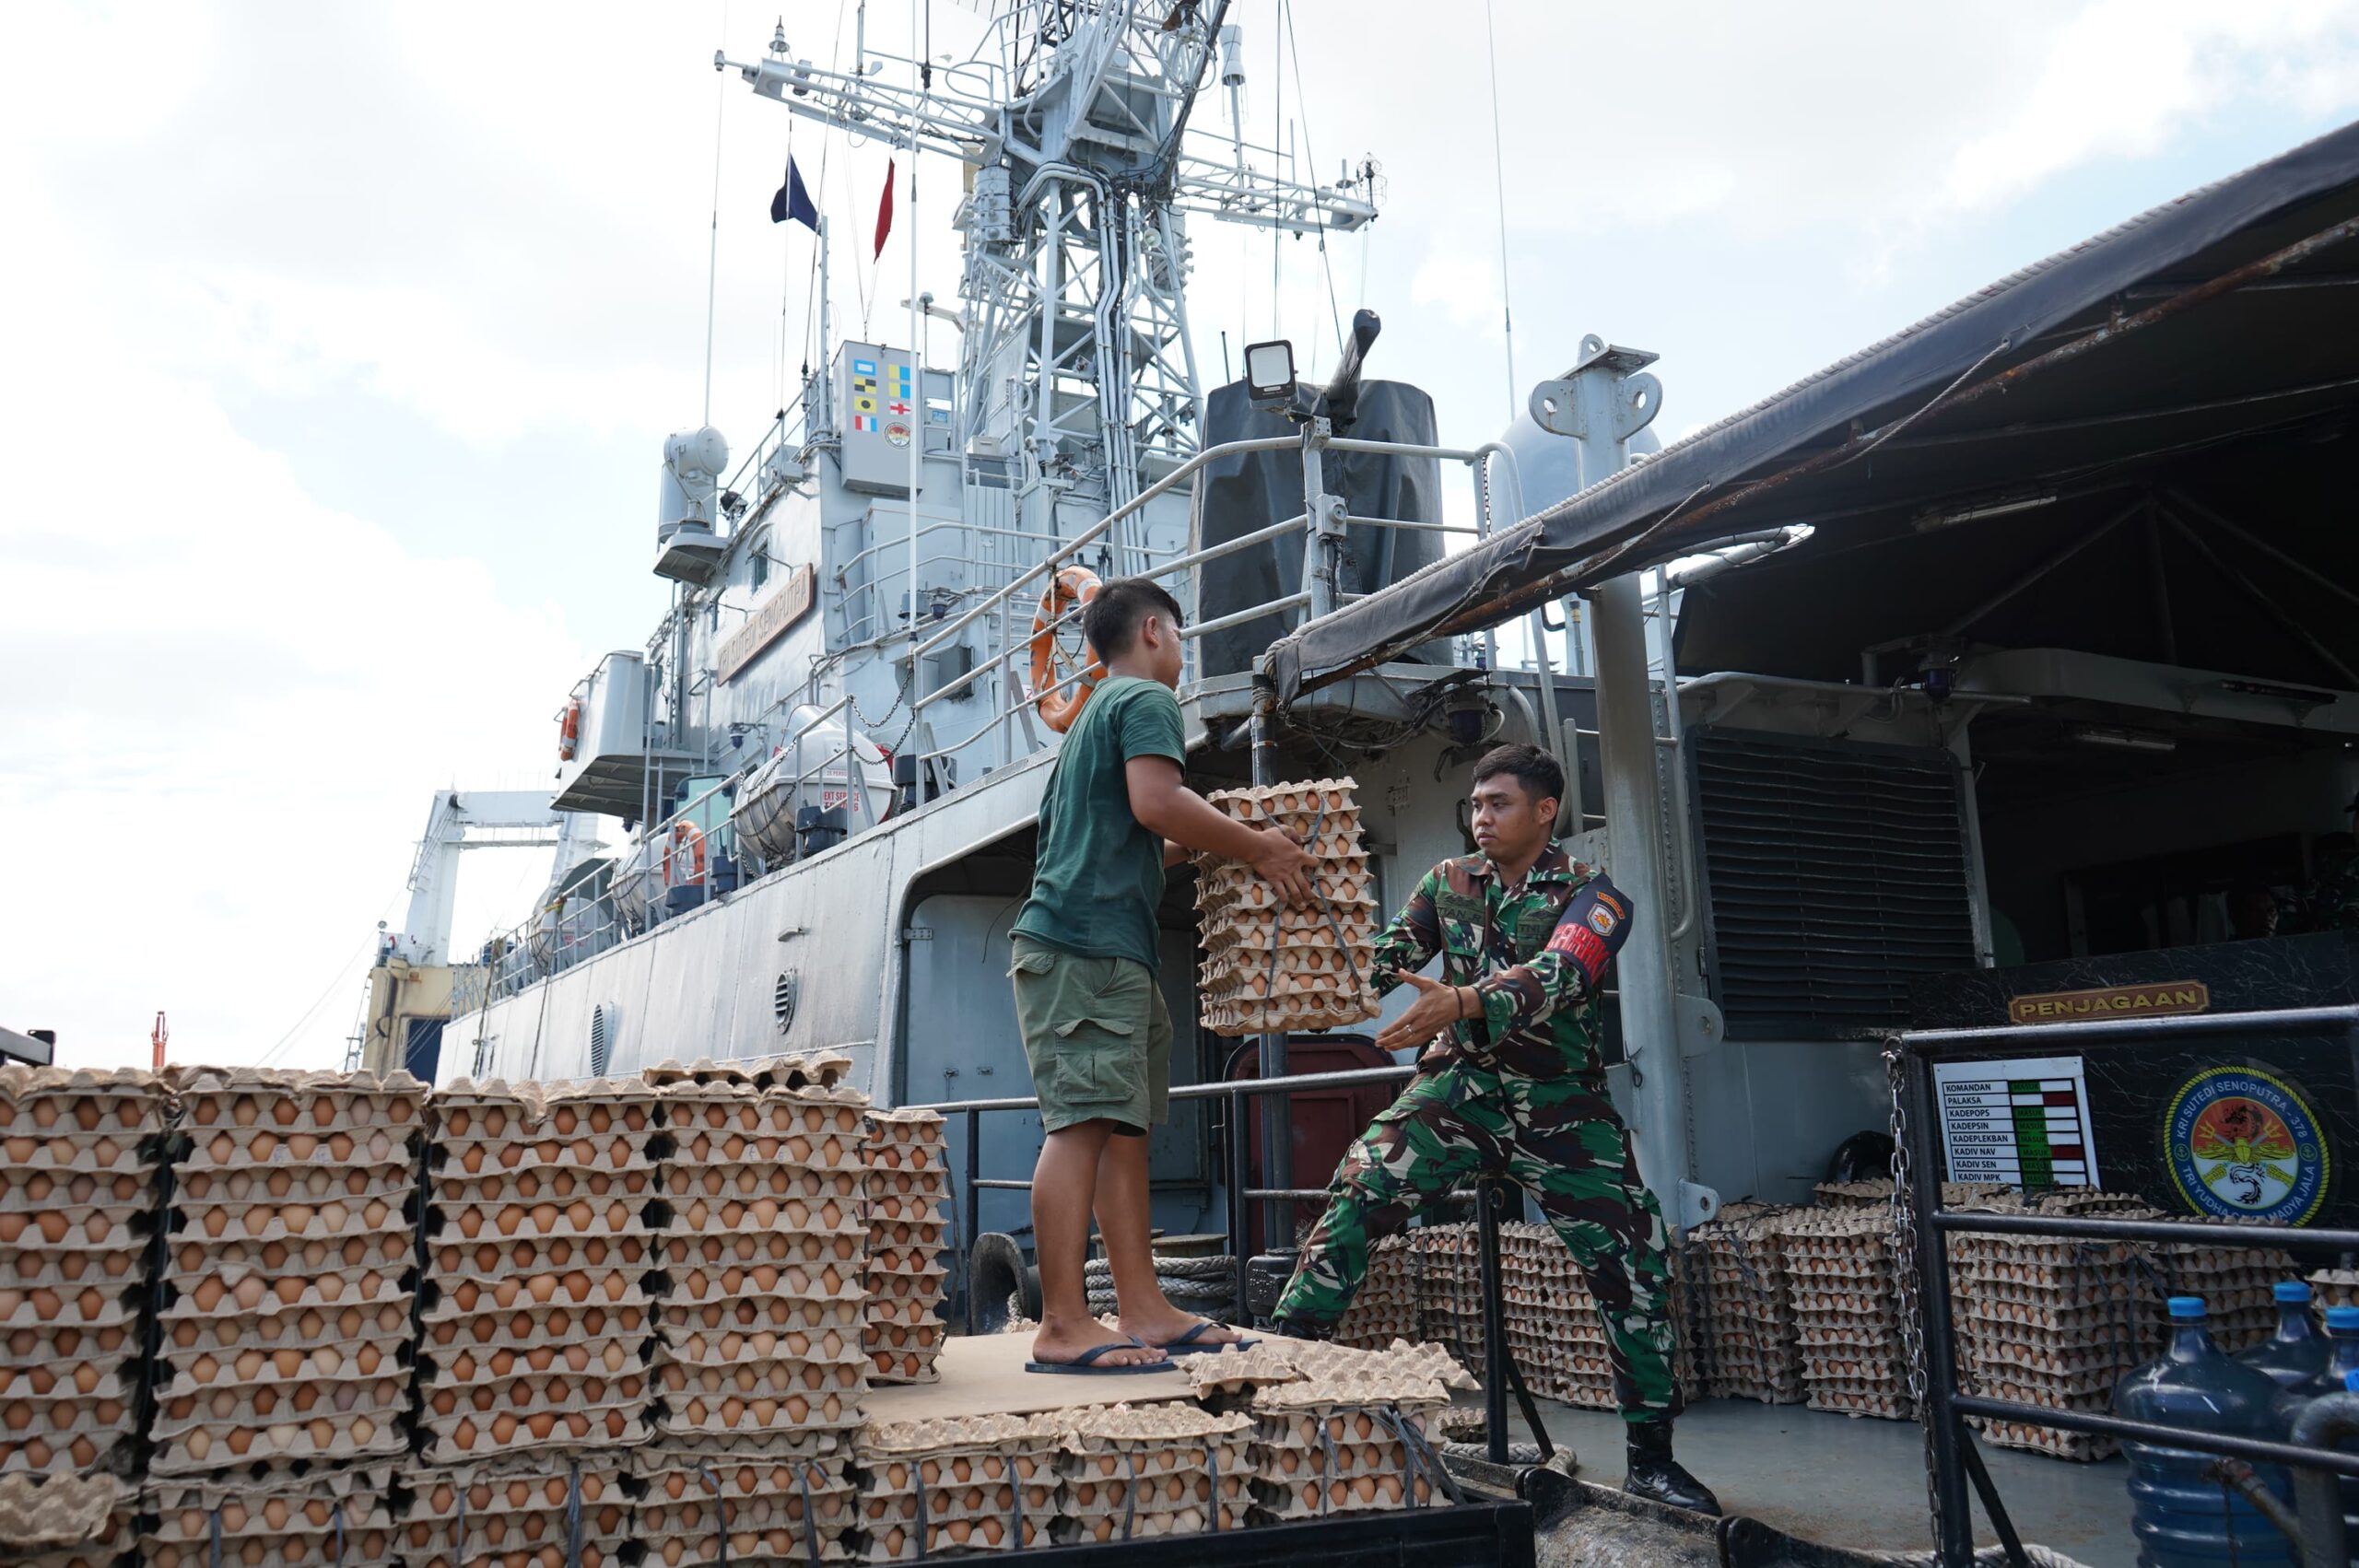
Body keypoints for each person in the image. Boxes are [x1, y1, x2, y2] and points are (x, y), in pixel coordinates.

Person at [1268, 742, 1719, 1514]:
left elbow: (1564, 972)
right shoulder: (1448, 883)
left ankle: (1650, 1457)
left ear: (1546, 812)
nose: (1481, 818)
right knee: (1356, 1189)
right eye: (1475, 805)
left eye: (1498, 803)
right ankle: (1273, 1392)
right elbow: (1389, 956)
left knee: (1635, 1263)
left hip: (1561, 1107)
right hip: (1462, 1088)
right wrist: (1317, 931)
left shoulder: (1595, 895)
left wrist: (1463, 1002)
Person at [1009, 577, 1318, 1375]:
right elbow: (1157, 802)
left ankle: (1143, 1307)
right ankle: (1064, 1322)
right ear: (1153, 631)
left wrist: (1224, 839)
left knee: (1123, 1134)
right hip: (1087, 951)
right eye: (1180, 636)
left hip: (1105, 948)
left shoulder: (1087, 726)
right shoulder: (1143, 701)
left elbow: (1138, 835)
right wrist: (1262, 848)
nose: (1182, 653)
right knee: (1081, 1126)